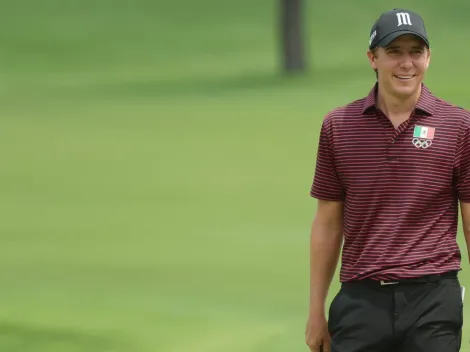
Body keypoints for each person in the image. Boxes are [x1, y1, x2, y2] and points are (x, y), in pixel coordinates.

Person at [305, 8, 470, 352]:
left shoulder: (459, 126)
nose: (406, 63)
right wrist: (315, 310)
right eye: (394, 52)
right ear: (373, 58)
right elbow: (327, 223)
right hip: (361, 299)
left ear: (428, 58)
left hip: (433, 297)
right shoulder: (339, 127)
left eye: (415, 52)